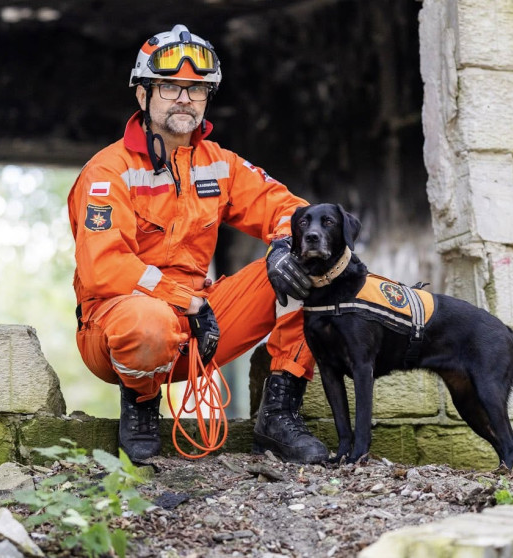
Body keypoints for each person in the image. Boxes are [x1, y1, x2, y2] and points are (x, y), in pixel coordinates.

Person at [67, 24, 328, 464]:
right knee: (146, 321)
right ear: (143, 96)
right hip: (121, 330)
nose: (185, 98)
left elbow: (291, 210)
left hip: (200, 327)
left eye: (197, 88)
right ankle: (142, 404)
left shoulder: (219, 164)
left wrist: (288, 241)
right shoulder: (107, 171)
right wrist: (184, 300)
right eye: (170, 86)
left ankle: (279, 413)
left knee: (313, 262)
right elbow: (104, 268)